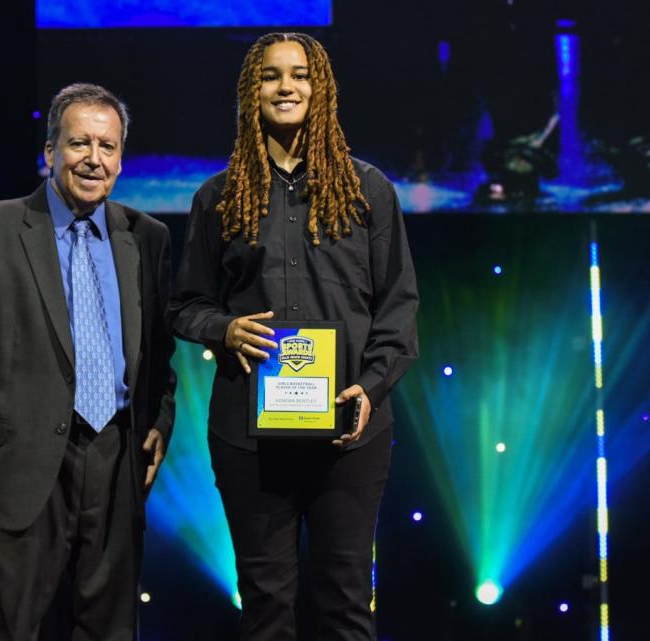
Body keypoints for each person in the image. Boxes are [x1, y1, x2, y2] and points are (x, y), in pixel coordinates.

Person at [168, 33, 419, 640]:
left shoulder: (368, 190)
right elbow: (185, 305)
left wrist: (368, 388)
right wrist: (224, 328)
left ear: (321, 89)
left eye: (300, 75)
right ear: (250, 93)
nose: (287, 87)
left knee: (346, 603)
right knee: (265, 609)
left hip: (348, 433)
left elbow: (399, 311)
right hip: (250, 438)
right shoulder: (218, 196)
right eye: (271, 76)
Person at [0, 83, 176, 641]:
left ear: (121, 157)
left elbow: (160, 350)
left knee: (110, 625)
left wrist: (160, 420)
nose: (94, 159)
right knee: (8, 626)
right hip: (20, 461)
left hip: (115, 459)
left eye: (108, 146)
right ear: (49, 153)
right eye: (80, 143)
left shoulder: (149, 237)